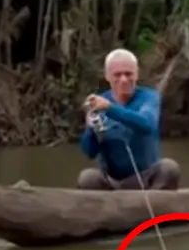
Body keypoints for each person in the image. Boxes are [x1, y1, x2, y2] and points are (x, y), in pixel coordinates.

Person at [77, 48, 181, 190]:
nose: (124, 79)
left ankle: (155, 208)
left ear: (136, 74)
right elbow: (89, 152)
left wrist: (110, 108)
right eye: (117, 75)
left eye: (128, 74)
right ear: (107, 76)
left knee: (169, 167)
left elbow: (147, 124)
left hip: (147, 178)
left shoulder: (149, 97)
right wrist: (90, 129)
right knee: (87, 177)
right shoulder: (98, 103)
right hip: (112, 182)